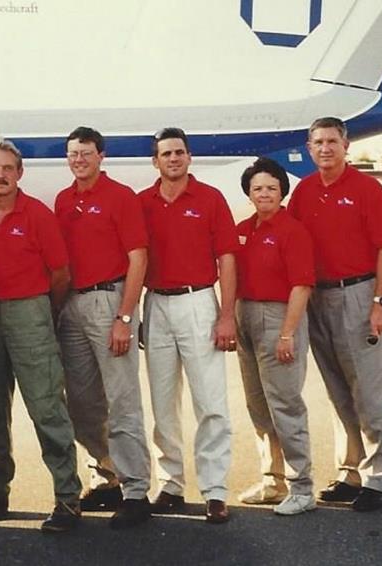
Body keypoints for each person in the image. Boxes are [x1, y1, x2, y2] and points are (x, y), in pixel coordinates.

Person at [0, 138, 83, 533]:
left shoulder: (37, 214)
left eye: (7, 168)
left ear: (19, 173)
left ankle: (67, 499)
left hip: (31, 311)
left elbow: (60, 274)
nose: (0, 175)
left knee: (46, 406)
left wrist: (42, 314)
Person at [288, 117, 382, 512]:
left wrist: (380, 302)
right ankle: (350, 472)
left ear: (346, 145)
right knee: (339, 392)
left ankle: (377, 478)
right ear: (309, 148)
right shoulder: (303, 192)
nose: (325, 148)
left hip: (358, 295)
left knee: (371, 393)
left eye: (332, 141)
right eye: (317, 142)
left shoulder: (367, 189)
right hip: (318, 299)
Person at [137, 127, 237, 524]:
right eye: (166, 154)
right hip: (157, 303)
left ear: (189, 157)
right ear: (155, 161)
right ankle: (171, 483)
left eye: (179, 152)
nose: (173, 159)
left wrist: (226, 314)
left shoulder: (210, 199)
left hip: (199, 302)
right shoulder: (143, 202)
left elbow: (227, 258)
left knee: (210, 401)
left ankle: (214, 490)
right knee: (163, 403)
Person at [54, 126, 152, 529]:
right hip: (72, 304)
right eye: (73, 154)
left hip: (109, 301)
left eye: (86, 153)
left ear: (101, 156)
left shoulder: (120, 197)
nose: (79, 160)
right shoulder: (63, 200)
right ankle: (105, 472)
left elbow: (138, 258)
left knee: (122, 398)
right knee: (81, 401)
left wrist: (125, 317)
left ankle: (136, 490)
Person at [234, 157, 316, 516]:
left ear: (282, 190)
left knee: (285, 403)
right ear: (248, 193)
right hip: (245, 316)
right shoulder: (243, 228)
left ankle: (302, 487)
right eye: (257, 188)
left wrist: (287, 334)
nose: (264, 193)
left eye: (271, 187)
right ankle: (273, 479)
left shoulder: (292, 230)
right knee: (258, 406)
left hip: (279, 317)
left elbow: (302, 285)